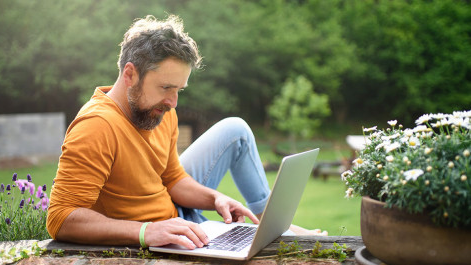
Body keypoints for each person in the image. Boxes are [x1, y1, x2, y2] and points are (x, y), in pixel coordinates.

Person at [47, 15, 324, 250]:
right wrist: (145, 232)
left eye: (179, 90)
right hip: (165, 233)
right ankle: (279, 234)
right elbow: (60, 217)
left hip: (180, 217)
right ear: (130, 75)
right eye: (166, 88)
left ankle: (267, 225)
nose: (173, 103)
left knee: (236, 129)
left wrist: (214, 198)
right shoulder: (97, 126)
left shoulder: (159, 111)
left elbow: (172, 178)